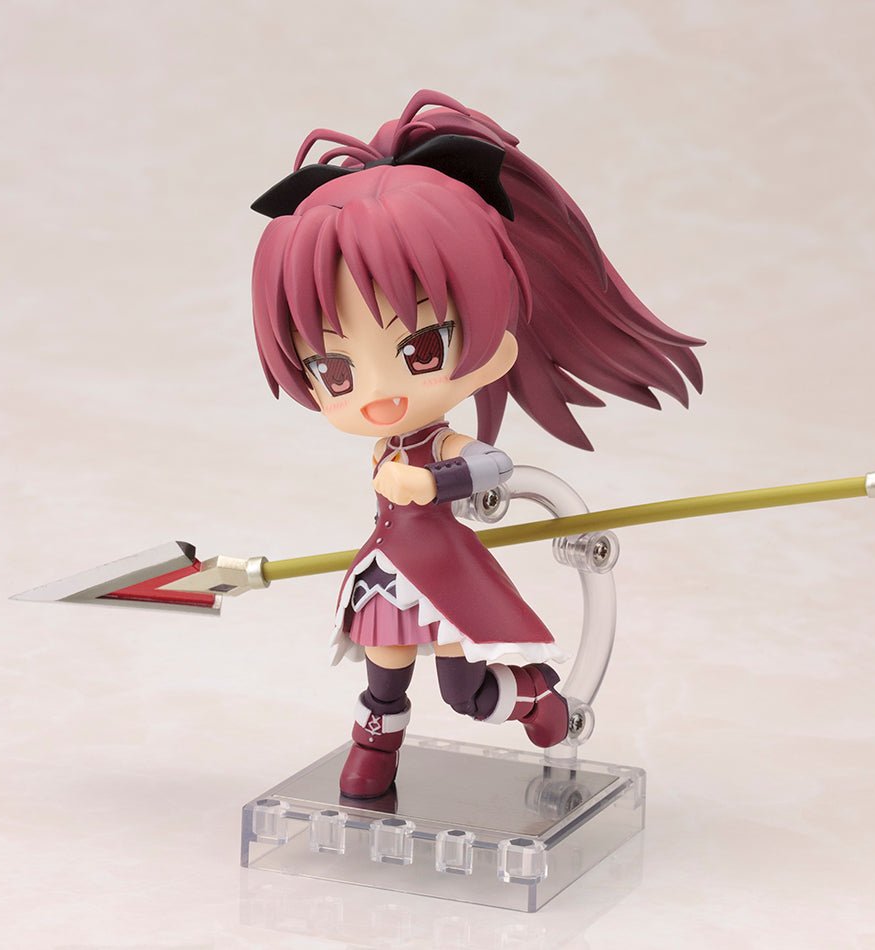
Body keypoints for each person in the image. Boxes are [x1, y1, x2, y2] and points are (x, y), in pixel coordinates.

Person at [250, 90, 703, 798]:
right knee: (383, 678)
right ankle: (374, 753)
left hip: (444, 578)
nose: (377, 393)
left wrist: (431, 483)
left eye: (421, 349)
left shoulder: (436, 443)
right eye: (334, 370)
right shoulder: (385, 443)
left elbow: (492, 464)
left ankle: (537, 699)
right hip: (386, 572)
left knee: (465, 692)